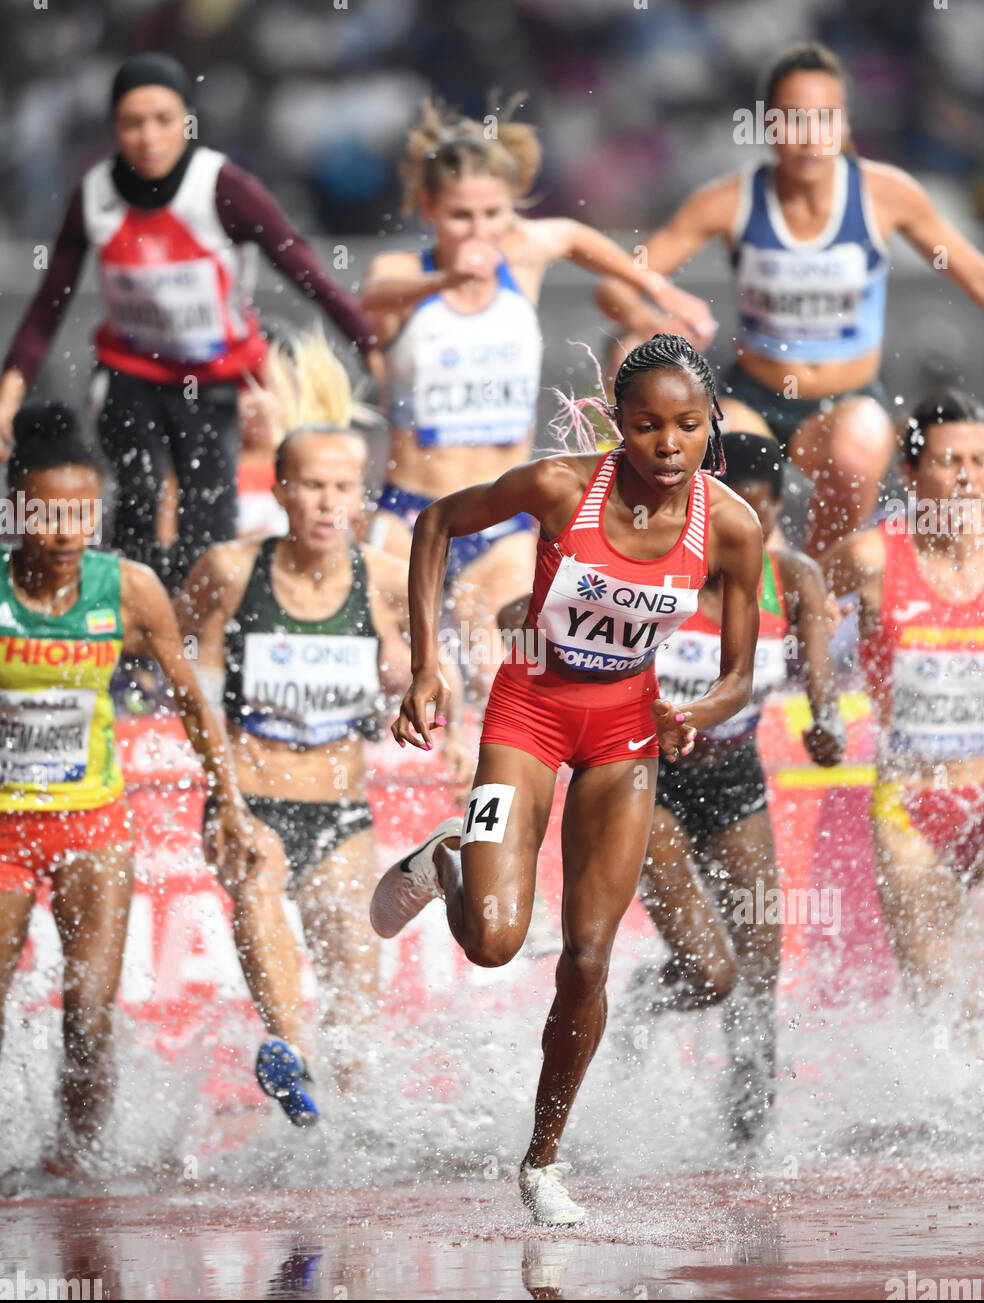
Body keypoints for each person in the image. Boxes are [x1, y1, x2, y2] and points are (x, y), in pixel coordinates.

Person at [370, 334, 764, 1225]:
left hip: (625, 737)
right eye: (647, 426)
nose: (668, 445)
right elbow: (435, 523)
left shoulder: (732, 525)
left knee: (588, 958)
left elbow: (738, 674)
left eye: (688, 427)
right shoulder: (560, 487)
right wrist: (428, 667)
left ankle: (543, 1162)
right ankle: (449, 861)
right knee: (497, 942)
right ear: (619, 427)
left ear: (711, 427)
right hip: (527, 714)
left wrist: (695, 714)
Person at [177, 331, 472, 1126]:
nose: (329, 504)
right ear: (279, 489)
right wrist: (224, 797)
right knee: (261, 891)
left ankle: (342, 1135)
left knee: (353, 986)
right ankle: (286, 1052)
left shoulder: (383, 580)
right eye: (312, 486)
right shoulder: (229, 572)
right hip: (249, 800)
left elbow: (430, 678)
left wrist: (442, 722)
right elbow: (191, 689)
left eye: (345, 487)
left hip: (341, 808)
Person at [362, 97, 716, 696]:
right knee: (401, 671)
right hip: (411, 510)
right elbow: (374, 296)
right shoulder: (403, 271)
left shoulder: (520, 256)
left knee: (493, 663)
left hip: (500, 513)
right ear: (428, 208)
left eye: (492, 214)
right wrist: (446, 279)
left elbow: (577, 237)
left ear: (513, 211)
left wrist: (659, 290)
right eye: (460, 216)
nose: (478, 231)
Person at [0, 52, 376, 593]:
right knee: (139, 495)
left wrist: (371, 347)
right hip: (130, 372)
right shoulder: (95, 195)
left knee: (208, 515)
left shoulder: (223, 187)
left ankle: (201, 630)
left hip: (214, 376)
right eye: (133, 123)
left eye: (164, 120)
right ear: (115, 128)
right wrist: (10, 391)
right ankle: (134, 636)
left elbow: (309, 273)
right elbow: (48, 303)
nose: (149, 137)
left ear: (187, 122)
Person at [595, 41, 984, 558]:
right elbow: (613, 283)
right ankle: (755, 590)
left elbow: (974, 275)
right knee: (730, 462)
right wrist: (656, 313)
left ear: (844, 124)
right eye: (791, 119)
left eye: (823, 119)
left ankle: (819, 587)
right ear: (768, 126)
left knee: (863, 439)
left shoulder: (885, 195)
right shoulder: (730, 199)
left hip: (844, 406)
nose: (808, 137)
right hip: (752, 396)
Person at [0, 403, 255, 1175]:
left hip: (93, 826)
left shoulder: (130, 589)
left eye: (84, 511)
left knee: (87, 1015)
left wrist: (228, 799)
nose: (68, 530)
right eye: (48, 513)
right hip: (4, 829)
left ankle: (76, 1168)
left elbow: (189, 700)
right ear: (15, 512)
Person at [613, 432, 846, 1143]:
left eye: (770, 511)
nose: (755, 527)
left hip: (735, 775)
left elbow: (824, 699)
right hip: (649, 781)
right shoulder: (658, 570)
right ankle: (636, 1008)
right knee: (710, 975)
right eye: (742, 510)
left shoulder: (794, 577)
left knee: (759, 971)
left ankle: (750, 1140)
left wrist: (825, 729)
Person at [823, 390, 984, 1023]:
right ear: (912, 475)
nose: (968, 477)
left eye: (980, 460)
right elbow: (792, 603)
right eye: (950, 462)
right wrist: (814, 686)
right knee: (937, 1003)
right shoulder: (871, 559)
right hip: (911, 805)